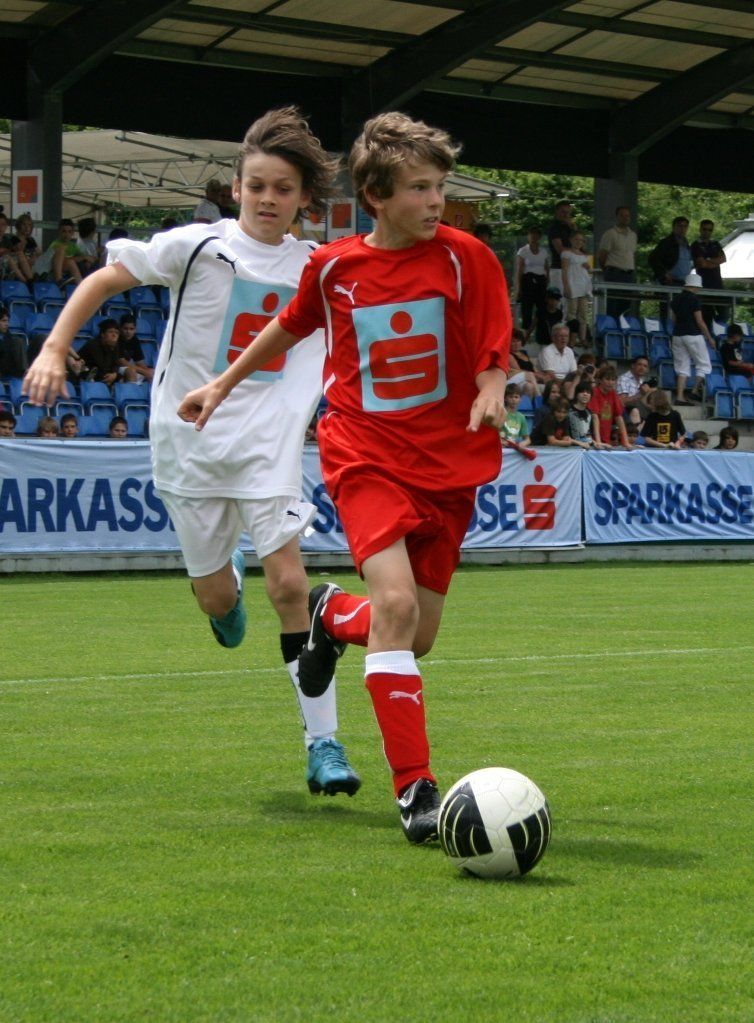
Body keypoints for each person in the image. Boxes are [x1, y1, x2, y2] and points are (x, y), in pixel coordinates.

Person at [175, 111, 511, 844]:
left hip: (449, 466)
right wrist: (221, 385)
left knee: (415, 635)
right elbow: (288, 325)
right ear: (376, 196)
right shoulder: (334, 268)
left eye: (439, 185)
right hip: (365, 455)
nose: (435, 200)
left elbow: (493, 349)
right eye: (419, 188)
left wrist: (492, 390)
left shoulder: (467, 259)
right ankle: (415, 789)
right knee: (395, 605)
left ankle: (329, 613)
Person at [23, 106, 361, 800]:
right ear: (236, 188)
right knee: (218, 601)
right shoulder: (197, 246)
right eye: (256, 185)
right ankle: (223, 586)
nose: (267, 199)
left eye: (283, 188)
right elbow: (103, 280)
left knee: (290, 586)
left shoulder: (319, 268)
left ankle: (323, 742)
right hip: (189, 443)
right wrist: (55, 347)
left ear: (304, 198)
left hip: (267, 445)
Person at [670, 271, 715, 406]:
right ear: (696, 286)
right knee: (704, 364)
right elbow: (700, 321)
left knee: (682, 366)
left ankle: (679, 397)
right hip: (693, 334)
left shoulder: (676, 299)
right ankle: (694, 390)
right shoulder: (694, 299)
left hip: (677, 335)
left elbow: (674, 319)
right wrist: (709, 338)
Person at [597, 205, 637, 320]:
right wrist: (607, 270)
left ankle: (622, 329)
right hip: (614, 273)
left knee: (626, 307)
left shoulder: (633, 235)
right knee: (612, 305)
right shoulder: (610, 233)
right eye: (622, 215)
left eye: (627, 216)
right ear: (617, 217)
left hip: (628, 275)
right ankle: (611, 328)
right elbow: (602, 255)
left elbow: (632, 254)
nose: (625, 218)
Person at [78, 318, 138, 386]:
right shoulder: (93, 345)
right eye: (110, 332)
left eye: (117, 333)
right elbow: (101, 367)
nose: (114, 335)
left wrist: (114, 374)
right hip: (87, 374)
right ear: (102, 334)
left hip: (102, 374)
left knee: (126, 375)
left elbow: (116, 365)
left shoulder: (115, 345)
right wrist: (113, 376)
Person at [514, 226, 549, 341]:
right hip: (528, 280)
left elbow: (546, 267)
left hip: (541, 281)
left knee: (542, 309)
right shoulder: (523, 251)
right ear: (528, 236)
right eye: (531, 234)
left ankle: (540, 336)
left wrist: (547, 281)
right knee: (527, 310)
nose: (534, 237)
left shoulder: (543, 251)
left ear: (539, 237)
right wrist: (519, 288)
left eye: (536, 234)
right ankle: (524, 336)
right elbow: (519, 270)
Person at [691, 219, 726, 327]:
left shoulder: (715, 244)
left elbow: (723, 259)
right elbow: (701, 264)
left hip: (717, 284)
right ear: (700, 229)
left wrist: (708, 261)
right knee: (707, 315)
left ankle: (717, 330)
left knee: (724, 313)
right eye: (705, 229)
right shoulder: (696, 245)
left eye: (710, 230)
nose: (707, 232)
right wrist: (714, 262)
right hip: (703, 285)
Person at [561, 230, 592, 345]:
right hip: (572, 285)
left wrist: (588, 267)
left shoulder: (584, 256)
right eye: (576, 239)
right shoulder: (566, 254)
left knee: (583, 314)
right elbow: (564, 271)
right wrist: (566, 286)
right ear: (571, 240)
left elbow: (588, 271)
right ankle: (569, 338)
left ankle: (582, 338)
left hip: (583, 286)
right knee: (571, 313)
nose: (579, 242)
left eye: (581, 240)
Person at [588, 364, 628, 448]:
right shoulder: (594, 392)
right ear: (600, 380)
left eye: (613, 380)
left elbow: (619, 418)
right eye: (607, 379)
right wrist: (598, 442)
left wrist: (626, 442)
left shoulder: (613, 393)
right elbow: (595, 417)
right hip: (593, 440)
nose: (610, 383)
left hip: (606, 439)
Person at [547, 200, 574, 295]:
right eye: (563, 212)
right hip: (559, 268)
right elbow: (560, 250)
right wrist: (575, 252)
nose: (566, 215)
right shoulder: (555, 228)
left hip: (571, 268)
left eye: (568, 212)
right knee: (559, 297)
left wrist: (573, 228)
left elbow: (580, 244)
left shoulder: (570, 228)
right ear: (557, 212)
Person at [119, 314, 154, 382]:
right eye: (125, 328)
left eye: (131, 329)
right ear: (120, 328)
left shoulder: (135, 340)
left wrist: (148, 371)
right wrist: (145, 372)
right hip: (116, 368)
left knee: (153, 372)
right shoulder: (117, 339)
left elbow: (139, 362)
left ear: (135, 329)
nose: (128, 332)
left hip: (128, 368)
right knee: (131, 372)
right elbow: (122, 362)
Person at [0, 307, 29, 377]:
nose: (7, 324)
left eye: (8, 321)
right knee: (17, 341)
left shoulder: (7, 334)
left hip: (10, 365)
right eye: (4, 321)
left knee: (41, 338)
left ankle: (25, 371)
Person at [568, 380, 595, 446]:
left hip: (586, 448)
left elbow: (589, 435)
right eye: (582, 391)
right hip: (570, 448)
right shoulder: (568, 411)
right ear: (576, 394)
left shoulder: (589, 413)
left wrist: (596, 443)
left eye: (588, 392)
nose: (585, 394)